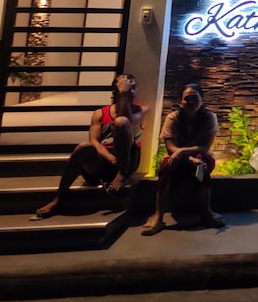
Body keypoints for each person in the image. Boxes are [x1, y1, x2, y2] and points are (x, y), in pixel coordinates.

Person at [33, 73, 148, 218]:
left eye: (133, 88)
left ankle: (122, 174)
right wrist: (110, 158)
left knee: (121, 122)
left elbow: (127, 120)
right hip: (103, 162)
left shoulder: (141, 110)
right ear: (116, 90)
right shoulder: (100, 113)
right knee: (84, 146)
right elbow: (94, 140)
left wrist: (124, 95)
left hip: (127, 162)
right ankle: (59, 199)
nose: (133, 91)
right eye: (128, 88)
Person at [141, 82, 224, 235]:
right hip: (176, 157)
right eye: (187, 99)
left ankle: (206, 212)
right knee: (167, 166)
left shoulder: (209, 118)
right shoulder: (173, 118)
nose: (190, 102)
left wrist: (183, 151)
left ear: (202, 100)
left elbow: (204, 147)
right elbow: (170, 147)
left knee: (202, 164)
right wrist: (187, 157)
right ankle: (158, 215)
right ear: (180, 102)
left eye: (195, 98)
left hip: (199, 156)